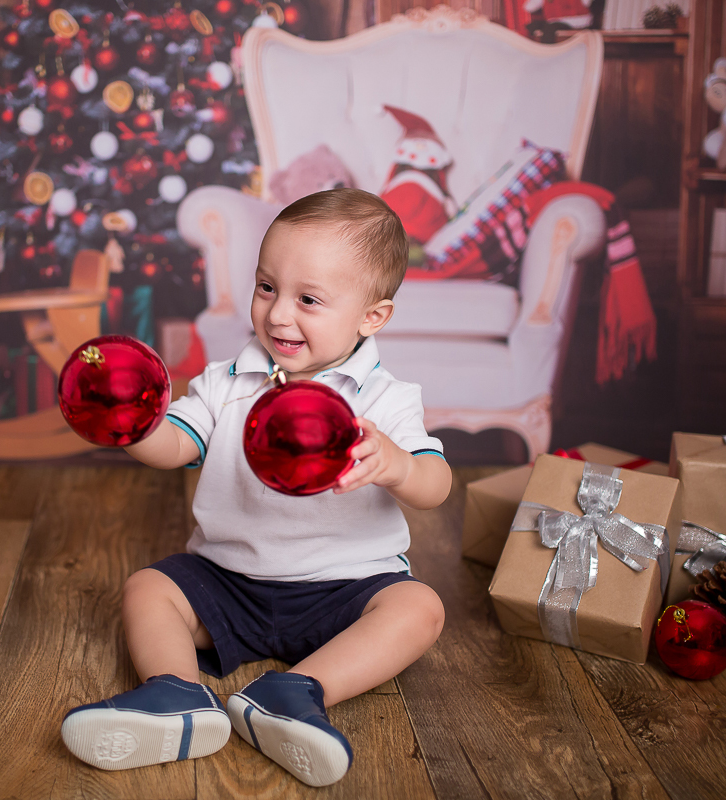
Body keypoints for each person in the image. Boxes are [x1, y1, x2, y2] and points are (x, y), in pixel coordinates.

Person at [60, 188, 452, 787]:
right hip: (230, 579)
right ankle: (175, 694)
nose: (277, 314)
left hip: (344, 585)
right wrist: (132, 426)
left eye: (309, 299)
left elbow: (437, 485)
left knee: (418, 609)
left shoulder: (385, 400)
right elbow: (177, 446)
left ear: (372, 316)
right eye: (266, 287)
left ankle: (297, 693)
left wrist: (396, 464)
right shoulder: (227, 381)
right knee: (147, 589)